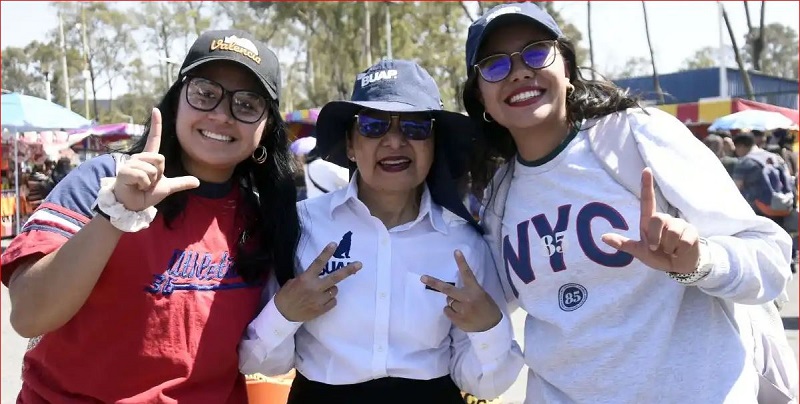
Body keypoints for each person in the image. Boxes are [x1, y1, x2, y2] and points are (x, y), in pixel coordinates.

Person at [460, 3, 794, 403]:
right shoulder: (499, 194)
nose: (519, 71)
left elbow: (771, 259)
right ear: (481, 98)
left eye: (536, 52)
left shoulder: (636, 136)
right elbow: (497, 308)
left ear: (566, 69)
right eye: (495, 66)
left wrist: (699, 262)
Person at [0, 29, 300, 403]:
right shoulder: (101, 180)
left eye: (247, 104)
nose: (222, 115)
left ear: (267, 127)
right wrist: (114, 215)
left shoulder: (267, 219)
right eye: (205, 94)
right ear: (178, 102)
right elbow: (28, 316)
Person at [239, 59, 523, 404]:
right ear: (349, 146)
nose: (394, 142)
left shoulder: (465, 244)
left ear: (434, 144)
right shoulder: (299, 226)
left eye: (415, 128)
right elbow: (259, 362)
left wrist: (488, 327)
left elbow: (486, 385)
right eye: (373, 126)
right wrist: (284, 312)